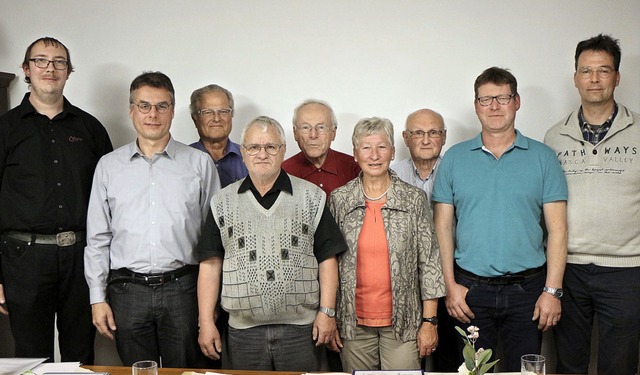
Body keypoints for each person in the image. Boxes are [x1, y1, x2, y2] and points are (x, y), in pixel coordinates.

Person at [432, 67, 568, 372]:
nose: (494, 106)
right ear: (476, 105)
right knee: (476, 372)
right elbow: (442, 226)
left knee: (525, 371)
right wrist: (450, 285)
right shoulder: (455, 158)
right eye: (486, 100)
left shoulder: (543, 157)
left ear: (517, 101)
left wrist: (552, 291)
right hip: (470, 292)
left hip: (528, 292)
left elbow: (558, 229)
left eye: (502, 98)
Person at [84, 71, 220, 367]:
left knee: (185, 372)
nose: (153, 114)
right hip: (126, 291)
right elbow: (97, 239)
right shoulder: (108, 167)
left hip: (183, 290)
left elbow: (215, 238)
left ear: (172, 111)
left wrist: (210, 308)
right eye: (144, 106)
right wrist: (97, 298)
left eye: (162, 106)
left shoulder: (199, 164)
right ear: (131, 110)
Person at [196, 116, 346, 371]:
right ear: (243, 152)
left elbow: (327, 259)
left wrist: (327, 312)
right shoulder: (222, 202)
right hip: (243, 334)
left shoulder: (312, 197)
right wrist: (206, 322)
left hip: (301, 331)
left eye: (271, 147)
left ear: (283, 150)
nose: (262, 154)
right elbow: (210, 265)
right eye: (254, 147)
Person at [0, 36, 113, 363]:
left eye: (59, 62)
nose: (50, 68)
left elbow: (109, 202)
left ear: (68, 71)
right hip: (22, 259)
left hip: (81, 257)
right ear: (26, 69)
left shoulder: (90, 129)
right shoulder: (5, 129)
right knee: (30, 359)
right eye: (41, 60)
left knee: (81, 356)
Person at [544, 34, 640, 375]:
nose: (595, 79)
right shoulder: (554, 138)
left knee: (620, 365)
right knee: (569, 365)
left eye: (603, 70)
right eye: (586, 71)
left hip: (627, 271)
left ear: (617, 77)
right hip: (568, 269)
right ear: (575, 78)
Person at [329, 117, 445, 372]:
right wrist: (329, 317)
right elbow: (329, 264)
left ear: (392, 152)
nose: (374, 155)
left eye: (381, 147)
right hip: (352, 325)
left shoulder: (413, 199)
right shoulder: (340, 200)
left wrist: (429, 321)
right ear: (355, 153)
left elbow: (430, 262)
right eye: (366, 147)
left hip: (404, 324)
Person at [391, 108, 457, 372]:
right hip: (405, 282)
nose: (426, 139)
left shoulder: (457, 170)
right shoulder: (391, 175)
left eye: (433, 133)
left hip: (452, 276)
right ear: (406, 138)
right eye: (418, 133)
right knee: (405, 359)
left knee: (450, 357)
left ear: (444, 137)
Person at [282, 99, 360, 198]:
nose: (313, 135)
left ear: (333, 133)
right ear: (295, 133)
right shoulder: (283, 173)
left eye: (321, 127)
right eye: (305, 127)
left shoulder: (355, 169)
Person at [189, 84, 248, 188]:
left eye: (224, 112)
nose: (216, 118)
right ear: (195, 119)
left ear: (231, 116)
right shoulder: (182, 160)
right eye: (207, 112)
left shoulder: (250, 158)